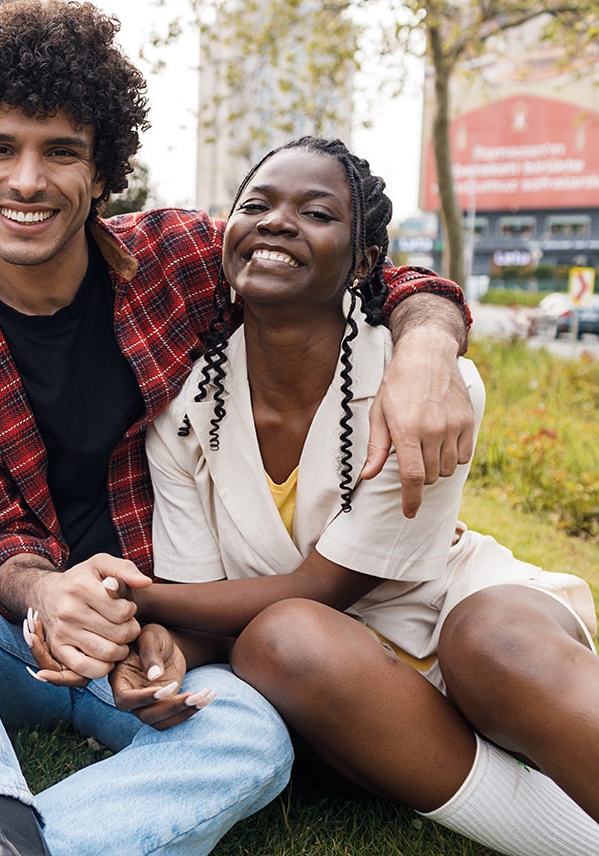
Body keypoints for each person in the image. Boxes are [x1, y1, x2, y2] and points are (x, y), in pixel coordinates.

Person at [0, 1, 478, 854]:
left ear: (102, 171)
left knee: (253, 735)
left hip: (160, 635)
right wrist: (44, 594)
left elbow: (368, 271)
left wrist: (428, 348)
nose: (28, 181)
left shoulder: (179, 259)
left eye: (61, 151)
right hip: (20, 629)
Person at [137, 136, 599, 856]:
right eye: (255, 205)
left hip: (457, 606)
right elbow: (201, 602)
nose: (276, 222)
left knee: (488, 643)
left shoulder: (424, 381)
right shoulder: (184, 409)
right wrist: (162, 652)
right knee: (280, 640)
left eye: (315, 212)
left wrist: (132, 596)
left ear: (361, 263)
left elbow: (330, 584)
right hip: (337, 674)